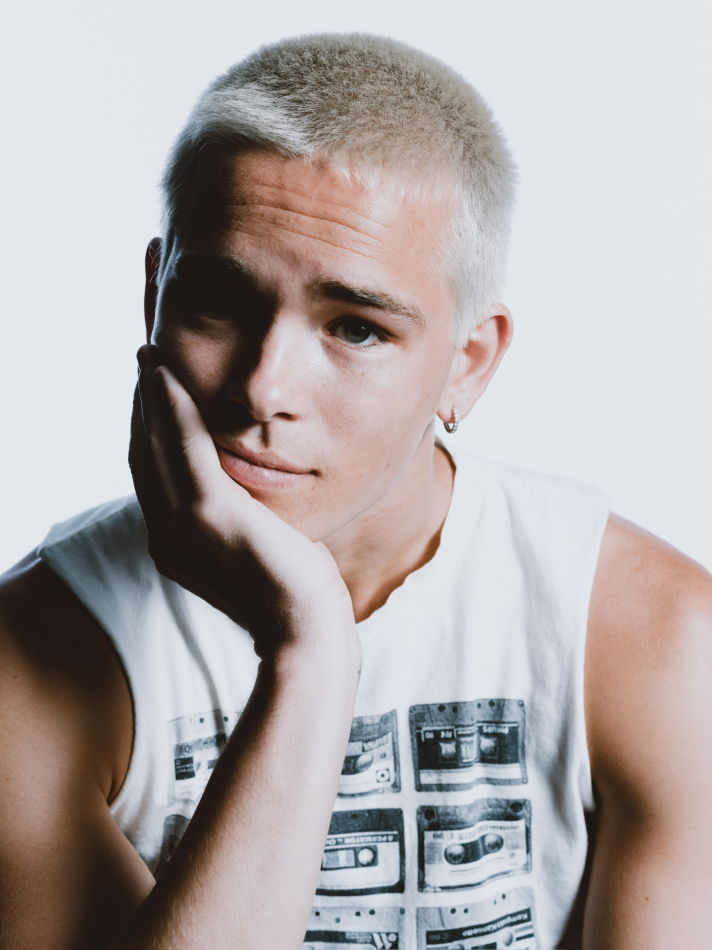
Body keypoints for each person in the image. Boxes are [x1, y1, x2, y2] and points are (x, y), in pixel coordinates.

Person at [1, 32, 710, 950]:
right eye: (218, 300)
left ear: (468, 361)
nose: (264, 388)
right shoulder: (32, 658)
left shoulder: (654, 641)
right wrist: (310, 650)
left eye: (356, 328)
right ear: (154, 295)